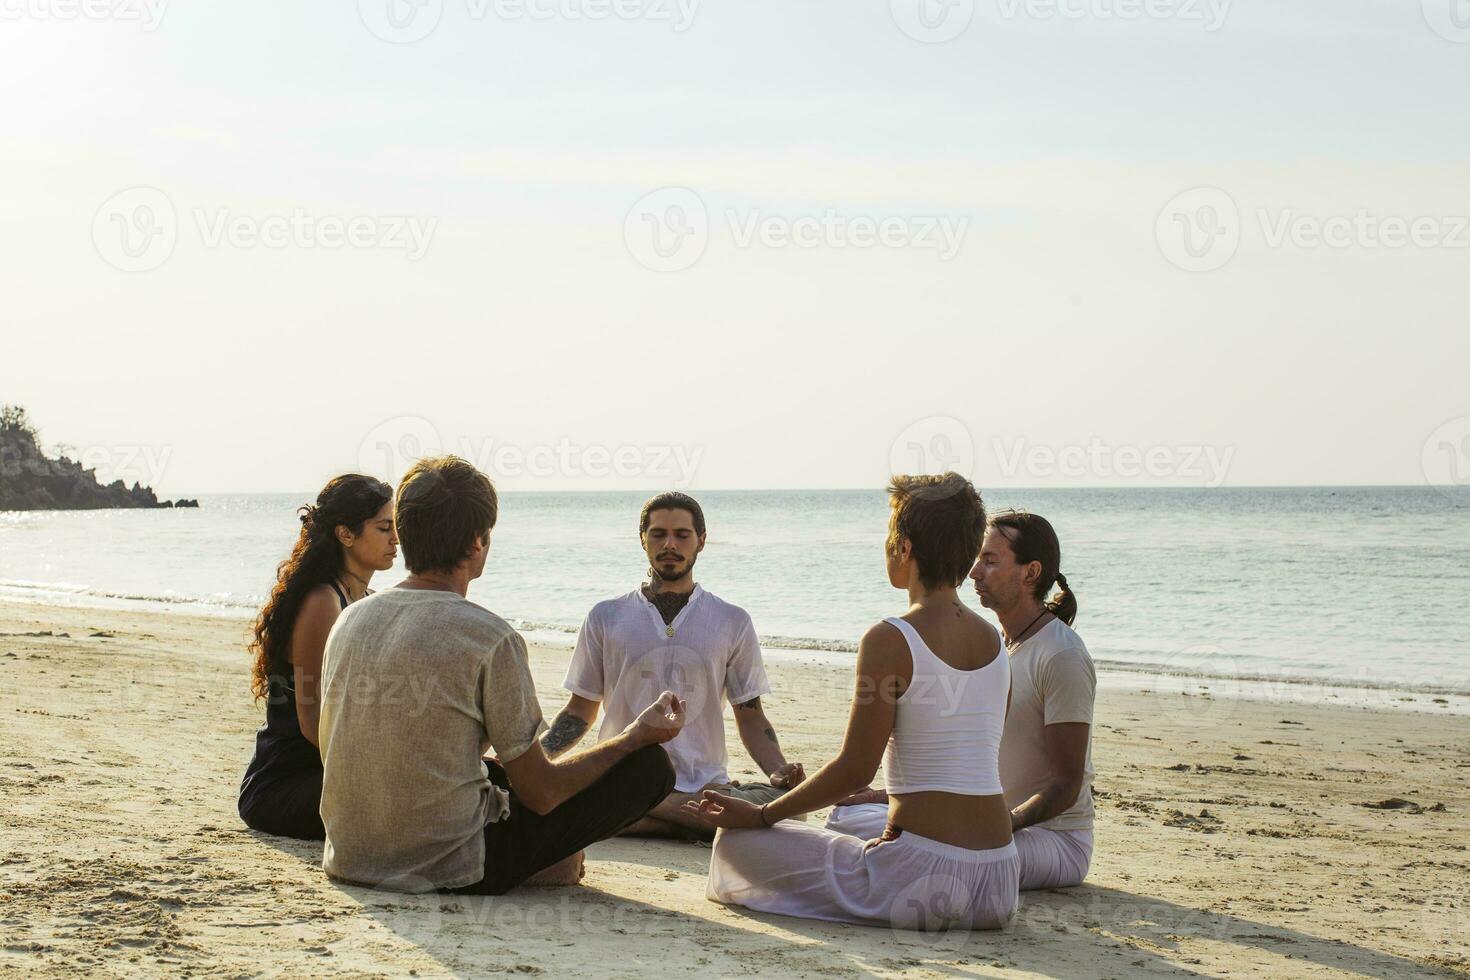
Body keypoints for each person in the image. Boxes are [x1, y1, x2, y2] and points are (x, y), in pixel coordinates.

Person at [317, 456, 683, 895]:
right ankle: (546, 864)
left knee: (493, 770)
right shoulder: (490, 636)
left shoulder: (350, 619)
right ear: (477, 541)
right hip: (449, 868)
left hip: (350, 855)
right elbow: (542, 792)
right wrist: (635, 736)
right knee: (649, 768)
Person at [684, 473, 1019, 932]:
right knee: (849, 817)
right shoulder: (996, 644)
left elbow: (856, 769)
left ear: (903, 548)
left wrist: (762, 814)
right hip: (999, 881)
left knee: (735, 844)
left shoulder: (891, 638)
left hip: (924, 879)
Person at [829, 509, 1094, 891]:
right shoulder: (992, 646)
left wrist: (1007, 822)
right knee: (845, 816)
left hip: (1050, 839)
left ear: (1031, 573)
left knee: (944, 862)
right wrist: (885, 795)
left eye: (989, 561)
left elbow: (1067, 783)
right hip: (977, 821)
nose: (974, 572)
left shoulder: (1061, 655)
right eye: (977, 559)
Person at [540, 491, 804, 840]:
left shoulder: (731, 620)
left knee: (792, 808)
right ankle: (682, 819)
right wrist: (536, 760)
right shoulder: (606, 616)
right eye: (658, 534)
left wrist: (777, 771)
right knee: (756, 820)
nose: (670, 544)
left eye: (682, 535)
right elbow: (579, 711)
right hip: (621, 775)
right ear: (642, 539)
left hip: (704, 785)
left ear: (701, 541)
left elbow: (751, 716)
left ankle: (648, 815)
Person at [238, 474, 396, 840]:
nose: (396, 539)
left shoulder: (366, 600)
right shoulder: (323, 602)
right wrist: (377, 770)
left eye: (396, 527)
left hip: (331, 771)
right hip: (285, 786)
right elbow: (312, 724)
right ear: (346, 534)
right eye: (384, 528)